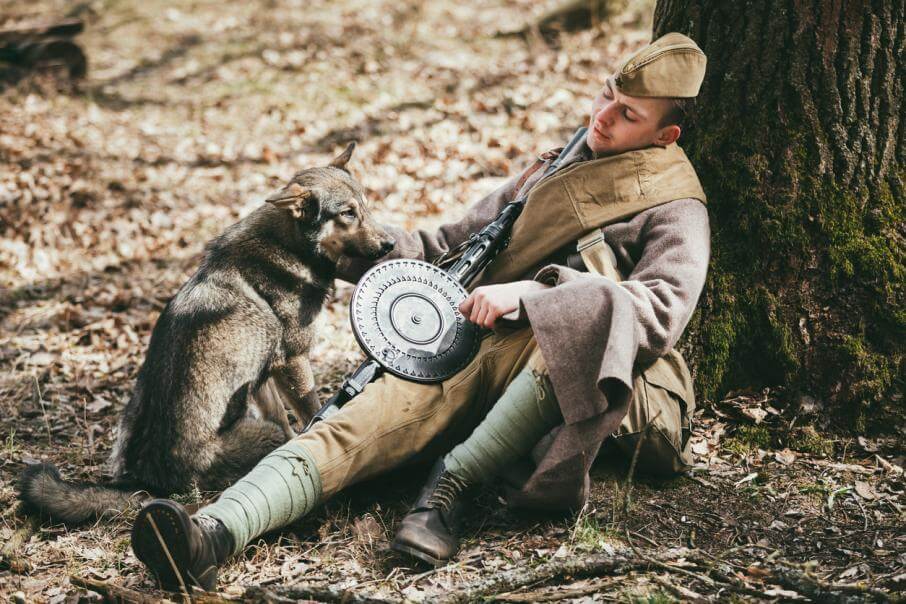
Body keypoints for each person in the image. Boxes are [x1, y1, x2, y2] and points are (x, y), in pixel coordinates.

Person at [129, 32, 711, 590]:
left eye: (630, 113)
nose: (604, 115)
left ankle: (447, 489)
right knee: (356, 419)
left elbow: (659, 310)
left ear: (666, 135)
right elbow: (447, 246)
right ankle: (214, 534)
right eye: (608, 92)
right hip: (477, 339)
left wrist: (535, 296)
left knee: (589, 314)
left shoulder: (677, 208)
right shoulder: (557, 164)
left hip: (579, 378)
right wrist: (337, 245)